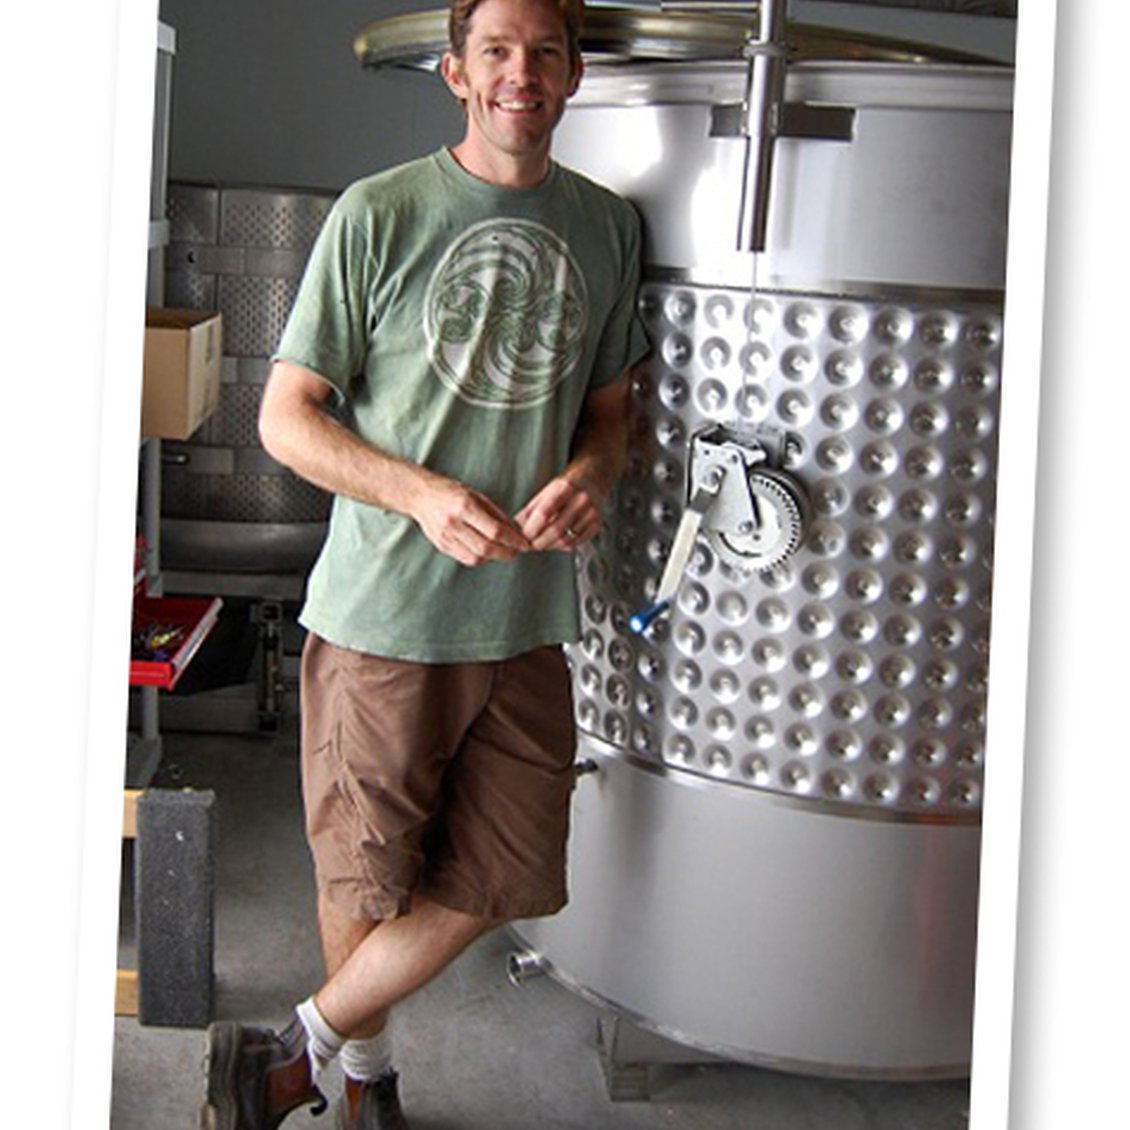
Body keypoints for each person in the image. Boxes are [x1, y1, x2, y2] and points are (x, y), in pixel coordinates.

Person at [200, 0, 648, 1126]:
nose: (520, 73)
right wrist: (421, 493)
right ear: (455, 71)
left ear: (573, 74)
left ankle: (295, 1049)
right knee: (367, 876)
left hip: (526, 616)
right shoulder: (379, 213)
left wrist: (591, 477)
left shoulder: (604, 226)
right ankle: (363, 1084)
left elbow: (609, 416)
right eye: (495, 51)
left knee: (511, 875)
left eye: (544, 52)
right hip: (385, 618)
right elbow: (285, 418)